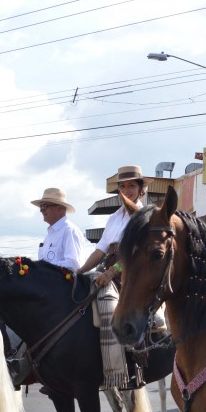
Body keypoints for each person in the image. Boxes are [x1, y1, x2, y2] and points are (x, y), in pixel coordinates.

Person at [77, 165, 152, 388]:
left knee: (111, 306)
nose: (126, 190)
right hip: (108, 270)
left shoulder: (145, 216)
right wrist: (79, 272)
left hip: (133, 273)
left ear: (141, 190)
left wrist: (111, 272)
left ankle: (124, 368)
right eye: (122, 186)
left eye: (131, 186)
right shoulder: (113, 219)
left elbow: (137, 253)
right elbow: (99, 251)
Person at [32, 187, 84, 272]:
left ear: (59, 208)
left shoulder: (70, 231)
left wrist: (44, 267)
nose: (41, 210)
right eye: (41, 207)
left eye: (45, 206)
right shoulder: (49, 235)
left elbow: (74, 264)